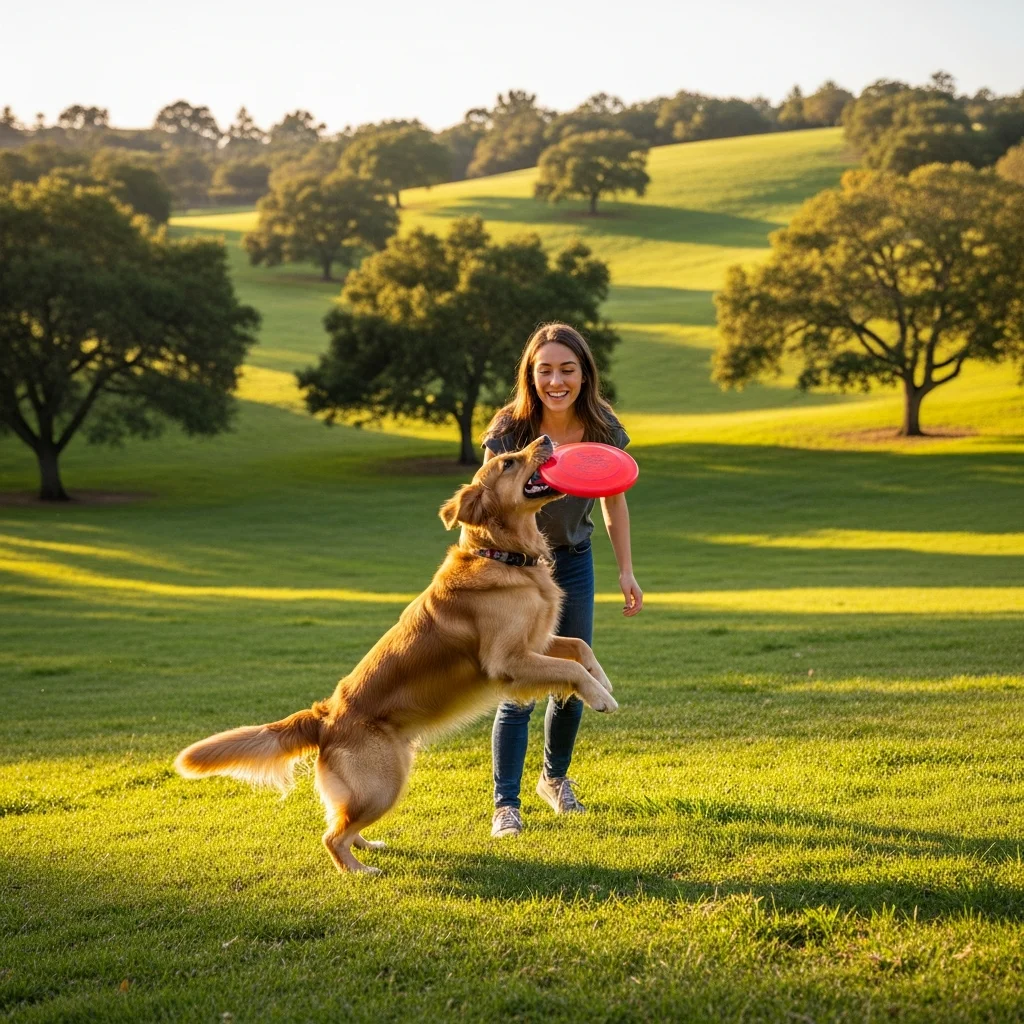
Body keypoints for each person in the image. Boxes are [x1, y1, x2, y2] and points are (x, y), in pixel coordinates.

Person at [481, 322, 643, 838]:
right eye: (545, 369)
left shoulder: (601, 426)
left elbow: (615, 501)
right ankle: (506, 804)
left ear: (583, 374)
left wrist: (625, 570)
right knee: (519, 680)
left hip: (573, 559)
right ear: (531, 374)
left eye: (567, 369)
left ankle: (554, 779)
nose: (556, 380)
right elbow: (486, 502)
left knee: (574, 671)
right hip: (515, 568)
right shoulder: (508, 430)